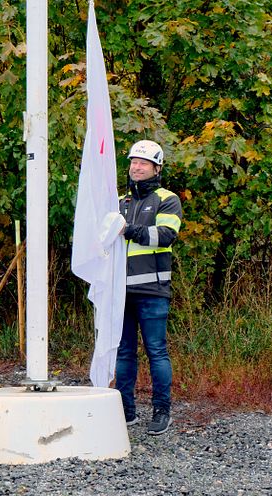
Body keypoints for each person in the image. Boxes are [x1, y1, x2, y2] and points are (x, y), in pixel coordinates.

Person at [116, 139, 182, 436]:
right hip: (121, 291)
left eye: (143, 163)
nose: (136, 167)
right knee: (124, 353)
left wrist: (129, 230)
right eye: (133, 162)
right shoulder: (119, 202)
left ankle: (161, 411)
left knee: (156, 351)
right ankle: (125, 412)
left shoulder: (168, 199)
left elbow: (166, 235)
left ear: (157, 167)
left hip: (152, 290)